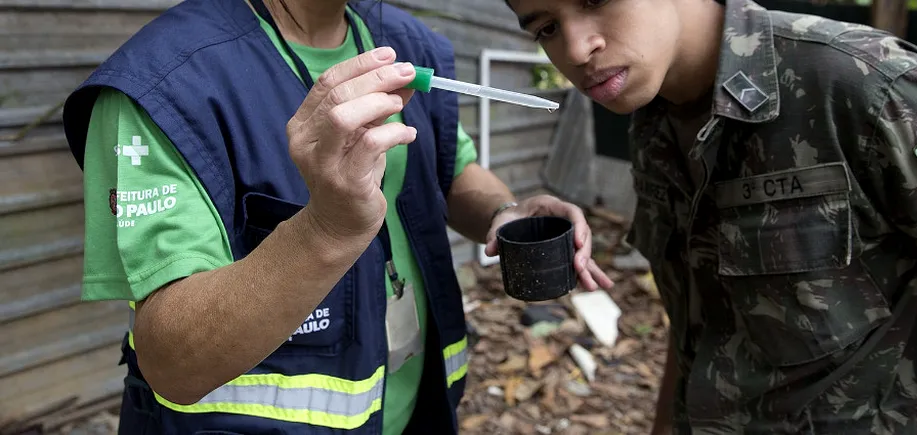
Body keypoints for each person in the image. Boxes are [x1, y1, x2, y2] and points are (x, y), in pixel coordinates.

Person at [61, 0, 613, 433]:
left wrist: (505, 210)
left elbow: (451, 168)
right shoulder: (164, 85)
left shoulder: (403, 43)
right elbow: (173, 359)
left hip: (414, 414)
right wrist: (326, 229)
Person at [503, 0, 917, 433]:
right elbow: (704, 328)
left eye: (596, 0)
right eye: (546, 28)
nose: (574, 50)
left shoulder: (865, 83)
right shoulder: (654, 117)